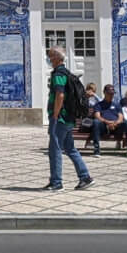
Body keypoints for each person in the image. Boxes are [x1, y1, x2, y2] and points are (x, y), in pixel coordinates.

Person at [43, 46, 93, 191]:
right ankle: (85, 177)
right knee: (70, 148)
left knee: (55, 149)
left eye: (51, 56)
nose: (49, 59)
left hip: (61, 118)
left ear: (58, 58)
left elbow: (60, 95)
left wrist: (55, 114)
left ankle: (56, 182)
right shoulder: (67, 73)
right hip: (68, 118)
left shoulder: (59, 74)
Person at [91, 84, 127, 157]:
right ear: (104, 93)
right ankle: (96, 149)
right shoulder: (98, 105)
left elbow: (120, 117)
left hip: (116, 127)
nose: (111, 95)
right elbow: (97, 116)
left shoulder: (117, 105)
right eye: (109, 93)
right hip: (104, 127)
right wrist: (108, 122)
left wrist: (115, 123)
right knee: (96, 122)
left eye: (112, 94)